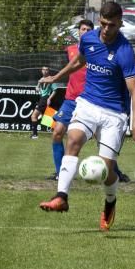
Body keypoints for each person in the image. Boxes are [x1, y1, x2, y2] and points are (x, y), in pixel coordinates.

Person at [38, 2, 135, 232]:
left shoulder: (125, 51)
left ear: (120, 23)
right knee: (73, 140)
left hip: (114, 114)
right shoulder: (89, 40)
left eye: (112, 25)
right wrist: (56, 77)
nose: (107, 29)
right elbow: (78, 61)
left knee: (107, 170)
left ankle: (110, 202)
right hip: (87, 103)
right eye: (104, 24)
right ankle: (61, 196)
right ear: (100, 21)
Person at [47, 19, 93, 180]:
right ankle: (60, 173)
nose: (85, 32)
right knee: (57, 132)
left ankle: (114, 171)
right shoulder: (70, 50)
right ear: (78, 32)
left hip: (90, 102)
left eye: (88, 30)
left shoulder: (97, 51)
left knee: (103, 140)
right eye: (83, 29)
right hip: (70, 100)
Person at [29, 66, 56, 139]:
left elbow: (55, 90)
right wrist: (37, 88)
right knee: (49, 117)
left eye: (47, 70)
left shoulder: (51, 79)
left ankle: (35, 135)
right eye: (44, 70)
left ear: (48, 71)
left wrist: (49, 98)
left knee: (33, 116)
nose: (45, 71)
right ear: (41, 71)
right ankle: (58, 130)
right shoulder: (41, 79)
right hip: (41, 98)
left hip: (45, 99)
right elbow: (38, 88)